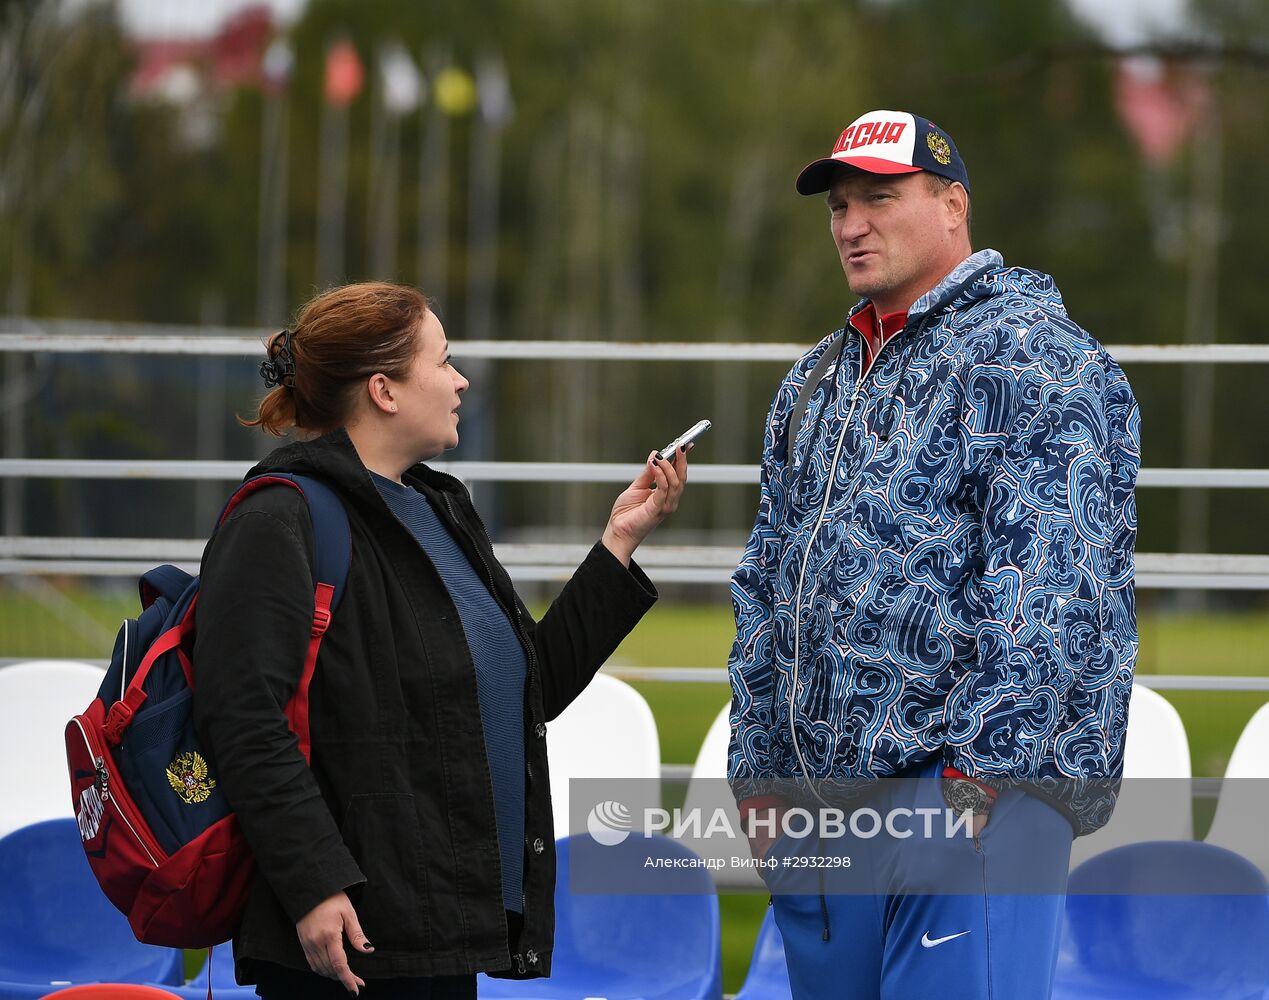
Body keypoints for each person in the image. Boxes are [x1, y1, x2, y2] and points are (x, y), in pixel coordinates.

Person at [726, 110, 1140, 998]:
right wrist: (757, 779)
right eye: (838, 205)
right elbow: (764, 582)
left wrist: (972, 782)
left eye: (879, 197)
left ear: (953, 206)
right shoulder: (814, 379)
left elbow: (1051, 591)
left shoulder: (1036, 358)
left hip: (968, 792)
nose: (850, 224)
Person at [192, 282, 689, 999]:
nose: (459, 380)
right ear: (385, 390)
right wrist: (312, 885)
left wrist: (618, 541)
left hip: (440, 926)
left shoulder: (438, 506)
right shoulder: (277, 519)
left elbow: (529, 688)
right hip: (348, 937)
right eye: (443, 361)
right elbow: (241, 717)